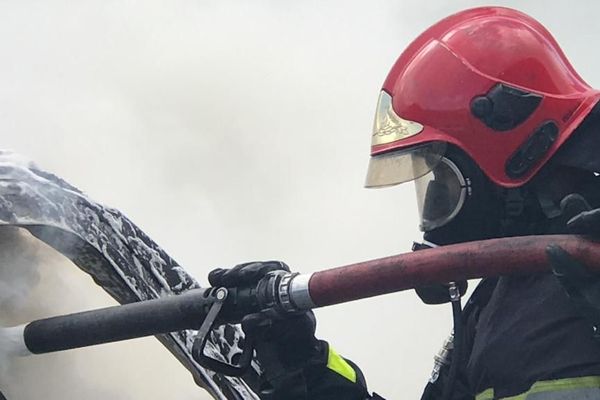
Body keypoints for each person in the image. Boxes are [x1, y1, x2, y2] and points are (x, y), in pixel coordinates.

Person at [209, 7, 600, 399]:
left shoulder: (581, 268)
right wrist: (307, 371)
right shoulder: (502, 296)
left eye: (442, 176)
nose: (434, 203)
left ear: (513, 154)